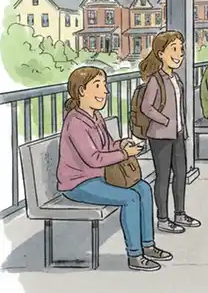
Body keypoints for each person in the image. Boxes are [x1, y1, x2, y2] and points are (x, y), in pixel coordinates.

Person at [58, 67, 172, 271]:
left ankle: (148, 245)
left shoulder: (95, 116)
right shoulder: (75, 121)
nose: (105, 91)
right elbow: (94, 158)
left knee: (144, 188)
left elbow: (106, 147)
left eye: (105, 86)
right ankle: (135, 255)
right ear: (82, 91)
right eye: (98, 86)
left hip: (98, 178)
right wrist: (125, 154)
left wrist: (122, 144)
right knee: (130, 198)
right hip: (78, 183)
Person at [138, 30, 201, 234]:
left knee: (181, 174)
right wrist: (165, 120)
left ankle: (180, 213)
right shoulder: (156, 80)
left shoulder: (175, 79)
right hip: (160, 136)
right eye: (173, 49)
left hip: (178, 134)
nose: (179, 54)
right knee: (163, 176)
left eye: (180, 49)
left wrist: (180, 126)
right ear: (160, 53)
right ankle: (163, 218)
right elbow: (146, 107)